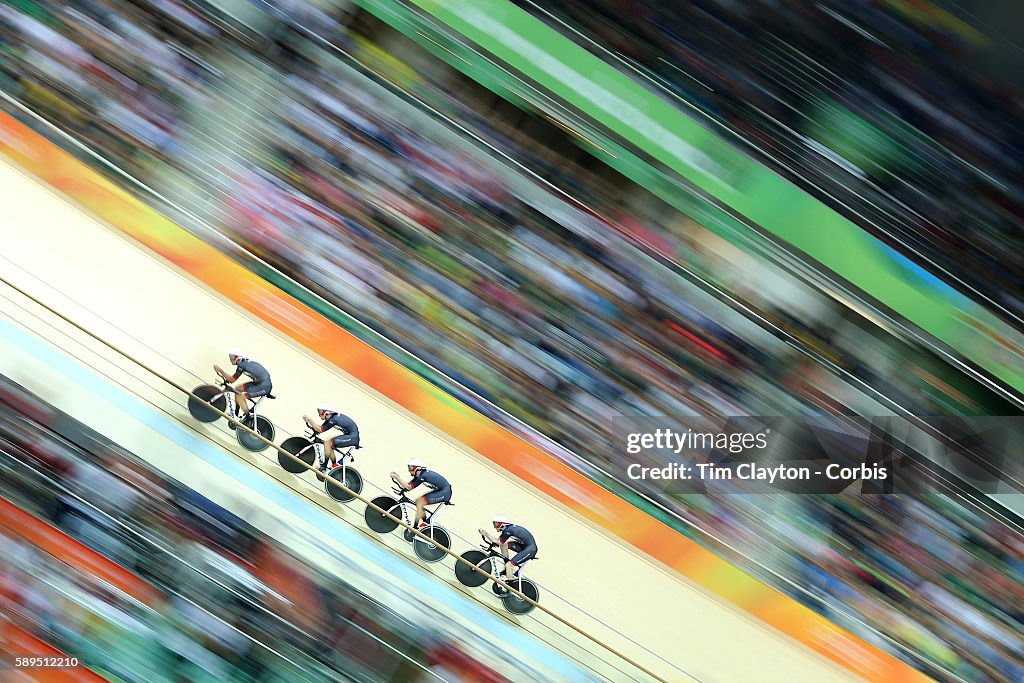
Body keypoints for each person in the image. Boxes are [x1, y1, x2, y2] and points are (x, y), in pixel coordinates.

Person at [214, 349, 272, 428]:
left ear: (238, 358)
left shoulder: (242, 365)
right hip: (259, 383)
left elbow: (232, 379)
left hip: (263, 387)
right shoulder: (245, 363)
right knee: (237, 389)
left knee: (240, 396)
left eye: (232, 357)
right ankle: (236, 414)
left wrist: (220, 370)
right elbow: (231, 380)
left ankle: (247, 419)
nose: (230, 359)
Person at [478, 515, 537, 591]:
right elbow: (499, 542)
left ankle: (511, 588)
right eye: (494, 524)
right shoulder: (507, 529)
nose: (495, 526)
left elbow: (497, 542)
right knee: (504, 545)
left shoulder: (508, 530)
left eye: (496, 524)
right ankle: (507, 570)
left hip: (530, 550)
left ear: (502, 524)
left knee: (509, 565)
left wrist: (486, 533)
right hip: (525, 546)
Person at [390, 459, 451, 529]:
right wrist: (400, 481)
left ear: (418, 468)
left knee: (419, 502)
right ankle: (425, 523)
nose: (409, 470)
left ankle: (415, 528)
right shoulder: (420, 475)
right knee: (419, 501)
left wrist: (397, 478)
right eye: (408, 468)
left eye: (411, 468)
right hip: (441, 490)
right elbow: (408, 486)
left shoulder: (423, 476)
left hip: (445, 493)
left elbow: (409, 487)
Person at [303, 403, 360, 471]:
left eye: (320, 412)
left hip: (353, 438)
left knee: (328, 443)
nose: (319, 414)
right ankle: (334, 466)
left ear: (327, 412)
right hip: (350, 435)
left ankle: (324, 465)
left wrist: (310, 421)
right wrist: (311, 423)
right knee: (328, 440)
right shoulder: (331, 418)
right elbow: (320, 428)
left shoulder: (333, 420)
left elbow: (320, 430)